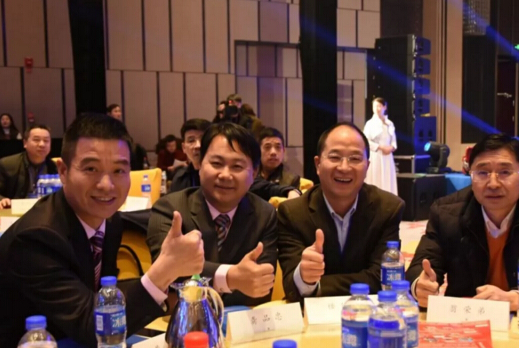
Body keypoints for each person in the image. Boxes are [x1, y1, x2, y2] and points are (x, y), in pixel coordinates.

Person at [0, 113, 205, 348]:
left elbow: (99, 297)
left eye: (119, 171)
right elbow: (95, 328)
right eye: (91, 169)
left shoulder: (108, 221)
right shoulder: (36, 237)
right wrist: (162, 272)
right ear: (63, 171)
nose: (106, 185)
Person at [406, 134, 519, 315]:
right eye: (482, 173)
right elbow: (421, 267)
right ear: (471, 176)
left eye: (505, 172)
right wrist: (420, 286)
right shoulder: (446, 212)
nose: (493, 184)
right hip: (466, 319)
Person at [148, 122, 277, 307]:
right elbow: (165, 273)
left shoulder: (265, 214)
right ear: (200, 164)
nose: (225, 175)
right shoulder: (170, 209)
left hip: (241, 320)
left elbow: (260, 284)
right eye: (216, 163)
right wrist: (231, 277)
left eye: (237, 166)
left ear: (254, 173)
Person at [277, 122, 405, 302]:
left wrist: (318, 285)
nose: (344, 167)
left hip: (368, 313)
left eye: (355, 158)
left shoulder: (388, 208)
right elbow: (292, 286)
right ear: (318, 164)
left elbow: (381, 278)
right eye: (335, 157)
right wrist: (304, 277)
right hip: (312, 316)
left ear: (367, 166)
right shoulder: (292, 214)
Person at [171, 120, 300, 201]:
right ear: (183, 147)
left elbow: (264, 187)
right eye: (191, 140)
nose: (198, 145)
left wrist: (290, 191)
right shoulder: (179, 177)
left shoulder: (236, 177)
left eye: (202, 139)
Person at [0, 124, 58, 208]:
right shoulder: (7, 164)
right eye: (36, 140)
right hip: (16, 212)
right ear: (25, 143)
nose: (42, 144)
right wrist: (0, 200)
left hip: (45, 211)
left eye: (46, 140)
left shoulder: (56, 168)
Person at [363, 97, 398, 195]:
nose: (377, 109)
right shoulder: (370, 124)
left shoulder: (390, 123)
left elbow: (393, 141)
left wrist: (391, 147)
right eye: (374, 106)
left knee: (388, 179)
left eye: (379, 106)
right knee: (376, 178)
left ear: (384, 107)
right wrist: (380, 147)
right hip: (376, 156)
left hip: (387, 157)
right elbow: (366, 141)